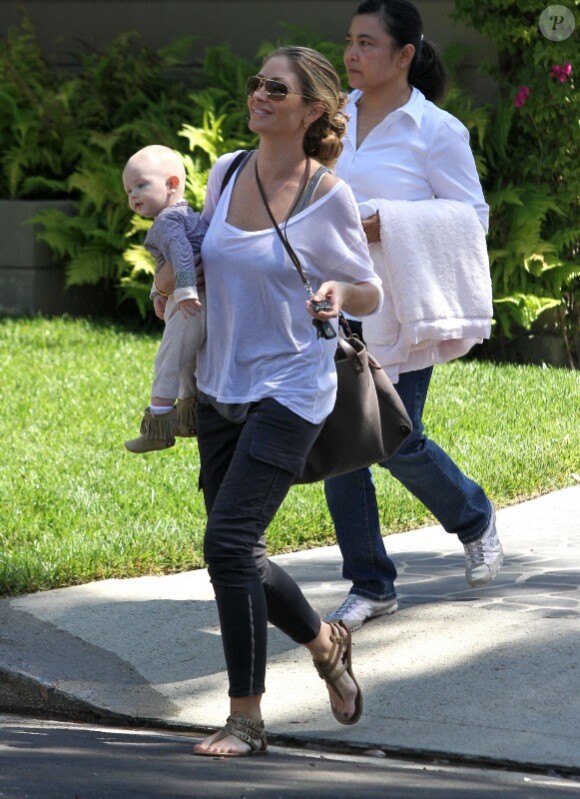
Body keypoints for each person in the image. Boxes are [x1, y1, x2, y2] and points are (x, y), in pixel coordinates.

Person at [191, 46, 383, 757]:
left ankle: (246, 718)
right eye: (256, 82)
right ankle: (325, 640)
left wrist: (339, 293)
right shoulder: (227, 171)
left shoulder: (325, 192)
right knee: (238, 552)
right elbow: (209, 263)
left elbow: (369, 289)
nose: (259, 95)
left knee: (228, 543)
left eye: (277, 87)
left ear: (311, 111)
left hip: (294, 386)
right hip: (221, 384)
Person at [324, 0, 503, 632]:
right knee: (342, 446)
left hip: (402, 309)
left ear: (404, 55)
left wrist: (386, 222)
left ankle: (474, 518)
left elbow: (471, 219)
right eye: (349, 41)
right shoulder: (331, 119)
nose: (351, 54)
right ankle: (370, 584)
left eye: (367, 44)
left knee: (397, 440)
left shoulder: (436, 131)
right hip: (332, 305)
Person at [122, 144, 207, 453]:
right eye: (129, 189)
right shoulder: (189, 215)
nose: (133, 195)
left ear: (172, 184)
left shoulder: (167, 223)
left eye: (141, 185)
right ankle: (189, 417)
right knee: (189, 363)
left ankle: (157, 426)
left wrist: (182, 293)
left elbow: (182, 255)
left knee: (169, 359)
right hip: (203, 301)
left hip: (191, 302)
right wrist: (159, 292)